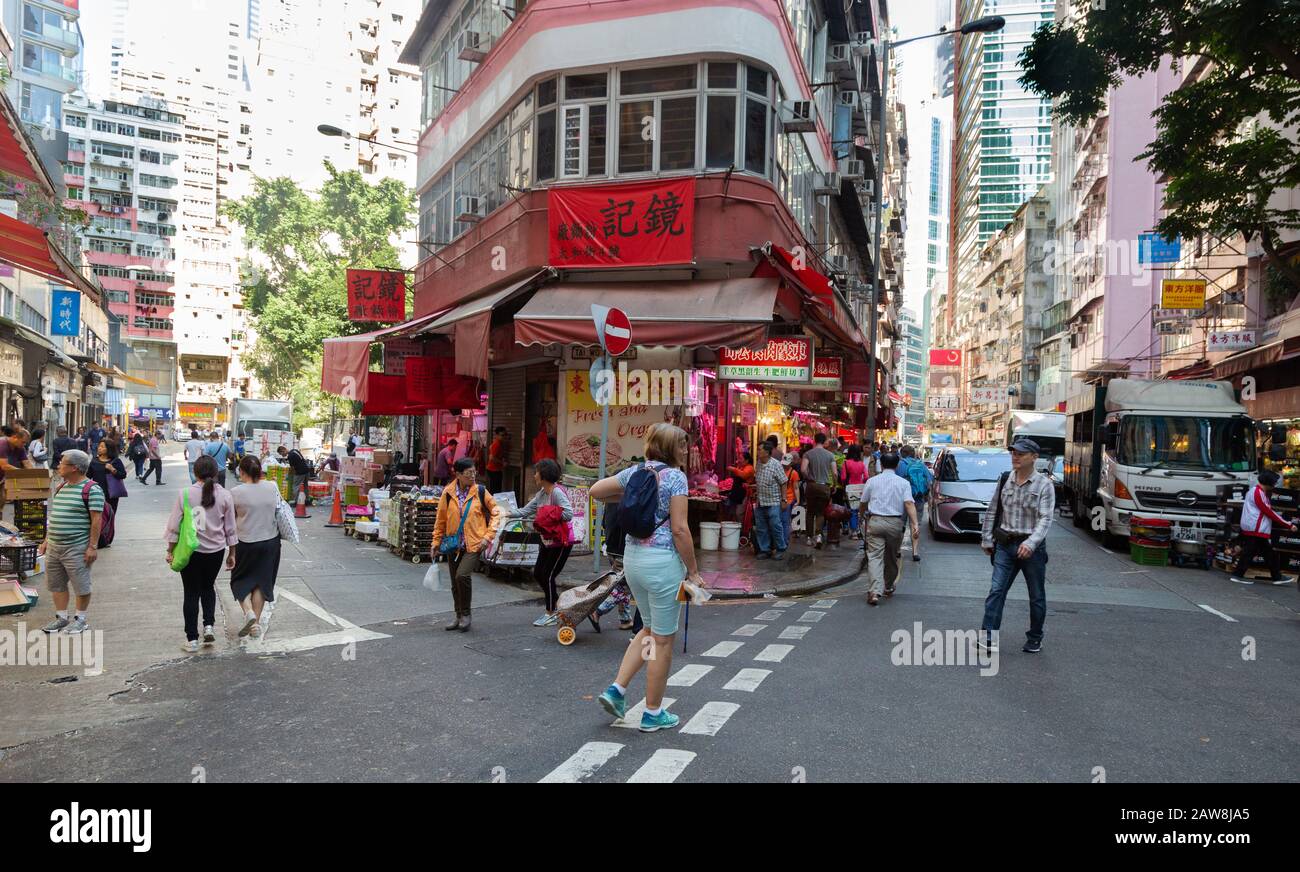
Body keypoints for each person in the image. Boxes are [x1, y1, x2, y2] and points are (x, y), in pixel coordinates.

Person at [591, 422, 700, 733]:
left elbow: (596, 491)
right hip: (663, 565)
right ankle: (652, 712)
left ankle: (617, 691)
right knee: (663, 642)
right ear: (668, 448)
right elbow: (679, 529)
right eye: (681, 445)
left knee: (649, 630)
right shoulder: (676, 478)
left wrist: (630, 497)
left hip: (634, 561)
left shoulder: (636, 473)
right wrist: (693, 571)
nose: (685, 450)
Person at [979, 437, 1056, 654]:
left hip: (1032, 549)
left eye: (1021, 453)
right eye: (1013, 452)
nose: (1015, 456)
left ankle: (1035, 637)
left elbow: (1045, 519)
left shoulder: (1044, 485)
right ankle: (988, 637)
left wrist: (1031, 543)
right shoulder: (1005, 479)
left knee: (1036, 595)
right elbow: (993, 510)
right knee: (996, 590)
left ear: (1034, 457)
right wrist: (987, 538)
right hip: (1005, 545)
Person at [166, 455, 238, 653]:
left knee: (191, 593)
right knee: (208, 588)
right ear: (215, 473)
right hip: (215, 552)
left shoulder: (186, 493)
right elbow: (230, 528)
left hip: (191, 552)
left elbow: (174, 526)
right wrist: (232, 552)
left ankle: (192, 640)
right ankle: (208, 626)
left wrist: (170, 550)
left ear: (195, 472)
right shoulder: (225, 495)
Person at [431, 457, 501, 632]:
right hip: (453, 544)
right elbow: (440, 520)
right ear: (458, 474)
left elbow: (496, 512)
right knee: (455, 582)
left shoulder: (481, 491)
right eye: (469, 473)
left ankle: (466, 614)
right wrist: (435, 541)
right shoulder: (447, 493)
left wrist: (488, 536)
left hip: (475, 543)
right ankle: (458, 616)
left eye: (474, 472)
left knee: (462, 575)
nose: (473, 475)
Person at [38, 450, 103, 636]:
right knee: (56, 584)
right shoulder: (61, 487)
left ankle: (80, 620)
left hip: (77, 547)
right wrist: (46, 540)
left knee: (81, 585)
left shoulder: (92, 489)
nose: (58, 465)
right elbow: (55, 516)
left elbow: (97, 520)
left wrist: (92, 546)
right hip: (54, 547)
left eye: (62, 462)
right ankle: (61, 618)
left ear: (74, 468)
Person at [512, 458, 574, 626]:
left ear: (544, 475)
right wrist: (503, 512)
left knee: (548, 575)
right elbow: (525, 511)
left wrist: (548, 515)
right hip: (547, 540)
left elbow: (568, 513)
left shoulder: (556, 492)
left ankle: (551, 612)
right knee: (539, 573)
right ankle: (558, 605)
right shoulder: (541, 494)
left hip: (561, 542)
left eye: (537, 472)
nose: (534, 475)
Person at [230, 455, 283, 639]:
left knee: (239, 580)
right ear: (260, 470)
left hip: (245, 542)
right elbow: (279, 510)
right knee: (261, 583)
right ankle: (256, 625)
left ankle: (248, 612)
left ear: (241, 471)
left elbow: (230, 520)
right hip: (270, 542)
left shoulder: (235, 492)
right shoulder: (272, 486)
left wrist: (230, 549)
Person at [860, 453, 919, 606]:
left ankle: (874, 591)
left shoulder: (872, 481)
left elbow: (863, 502)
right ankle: (887, 586)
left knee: (874, 557)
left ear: (881, 464)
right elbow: (909, 504)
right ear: (897, 465)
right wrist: (915, 524)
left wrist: (861, 516)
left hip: (876, 521)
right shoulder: (903, 483)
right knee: (892, 557)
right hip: (895, 523)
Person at [1230, 469, 1298, 585]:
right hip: (1256, 528)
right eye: (1274, 482)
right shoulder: (1258, 493)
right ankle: (1238, 575)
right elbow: (1268, 512)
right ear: (1269, 482)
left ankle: (1276, 577)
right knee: (1253, 552)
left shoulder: (1257, 492)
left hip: (1254, 528)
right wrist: (1288, 525)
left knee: (1266, 553)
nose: (1275, 484)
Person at [896, 444, 933, 562]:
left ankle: (897, 550)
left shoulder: (900, 465)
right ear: (913, 454)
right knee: (915, 524)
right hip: (918, 499)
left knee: (900, 524)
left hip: (902, 500)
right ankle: (915, 552)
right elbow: (930, 481)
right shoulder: (920, 465)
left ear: (902, 454)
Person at [753, 441, 787, 560]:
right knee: (761, 527)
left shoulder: (776, 465)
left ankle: (780, 548)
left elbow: (783, 482)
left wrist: (784, 499)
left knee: (775, 526)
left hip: (774, 502)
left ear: (767, 452)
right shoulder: (758, 464)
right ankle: (765, 549)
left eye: (759, 449)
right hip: (761, 501)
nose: (757, 452)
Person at [801, 433, 835, 549]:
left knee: (810, 512)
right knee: (820, 512)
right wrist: (834, 484)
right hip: (824, 486)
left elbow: (803, 469)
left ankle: (809, 538)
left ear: (814, 441)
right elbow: (835, 473)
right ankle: (819, 535)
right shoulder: (830, 455)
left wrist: (808, 478)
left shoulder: (808, 454)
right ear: (825, 441)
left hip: (811, 486)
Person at [88, 439, 128, 526]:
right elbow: (87, 476)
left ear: (109, 449)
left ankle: (107, 536)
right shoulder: (94, 461)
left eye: (102, 447)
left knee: (109, 517)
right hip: (96, 494)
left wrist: (112, 469)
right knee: (96, 518)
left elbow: (123, 475)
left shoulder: (116, 461)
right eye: (99, 446)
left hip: (110, 495)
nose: (99, 448)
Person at [841, 443, 868, 539]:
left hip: (850, 489)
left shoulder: (846, 463)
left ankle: (854, 532)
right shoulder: (861, 464)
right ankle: (858, 529)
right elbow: (866, 476)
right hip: (860, 488)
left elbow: (843, 477)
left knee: (852, 510)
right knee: (858, 510)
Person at [780, 453, 800, 547]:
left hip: (788, 499)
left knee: (785, 520)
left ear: (791, 463)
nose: (784, 465)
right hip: (778, 498)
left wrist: (798, 500)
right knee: (780, 520)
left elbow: (796, 488)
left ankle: (785, 541)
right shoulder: (779, 470)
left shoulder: (794, 473)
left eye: (786, 463)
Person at [486, 426, 508, 493]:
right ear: (497, 435)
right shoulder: (497, 444)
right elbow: (491, 458)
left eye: (505, 434)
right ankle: (492, 503)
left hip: (494, 470)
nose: (504, 437)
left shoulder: (499, 443)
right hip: (493, 470)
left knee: (495, 489)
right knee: (496, 490)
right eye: (502, 435)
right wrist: (502, 463)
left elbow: (492, 451)